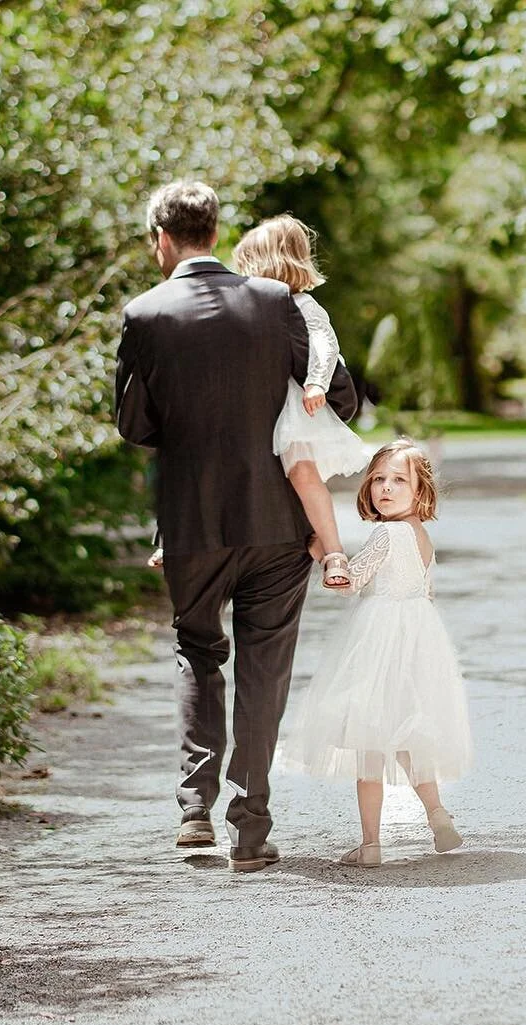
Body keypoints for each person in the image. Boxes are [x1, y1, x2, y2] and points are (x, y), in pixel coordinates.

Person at [115, 181, 360, 872]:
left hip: (191, 522)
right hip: (279, 521)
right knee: (265, 668)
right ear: (216, 232)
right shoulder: (277, 302)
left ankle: (194, 807)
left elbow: (134, 425)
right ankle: (249, 827)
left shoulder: (144, 313)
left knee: (197, 648)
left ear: (161, 238)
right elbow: (339, 394)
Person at [282, 439, 474, 867]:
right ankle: (438, 816)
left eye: (399, 481)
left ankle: (370, 844)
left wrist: (323, 553)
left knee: (368, 741)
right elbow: (424, 591)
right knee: (408, 737)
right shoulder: (423, 538)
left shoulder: (386, 533)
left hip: (377, 641)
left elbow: (351, 580)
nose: (385, 488)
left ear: (420, 492)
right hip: (418, 641)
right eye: (379, 480)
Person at [148, 215, 367, 585]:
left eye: (248, 265)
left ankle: (333, 552)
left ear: (272, 264)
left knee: (303, 474)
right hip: (252, 407)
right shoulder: (248, 308)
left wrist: (316, 382)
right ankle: (176, 537)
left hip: (295, 408)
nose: (241, 275)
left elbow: (325, 345)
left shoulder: (303, 305)